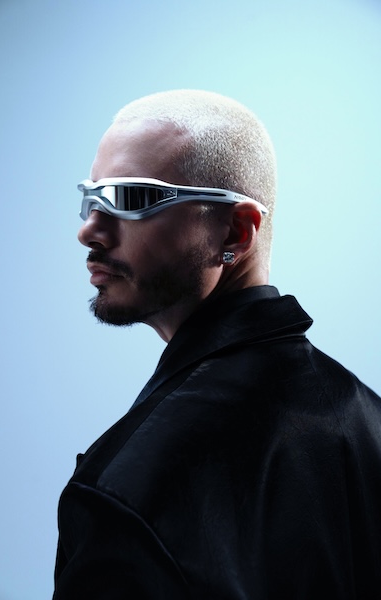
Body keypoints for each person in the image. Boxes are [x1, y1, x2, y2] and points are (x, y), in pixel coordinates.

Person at [53, 90, 381, 599]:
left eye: (131, 199)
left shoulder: (127, 493)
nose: (89, 231)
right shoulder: (367, 419)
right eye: (91, 198)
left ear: (236, 231)